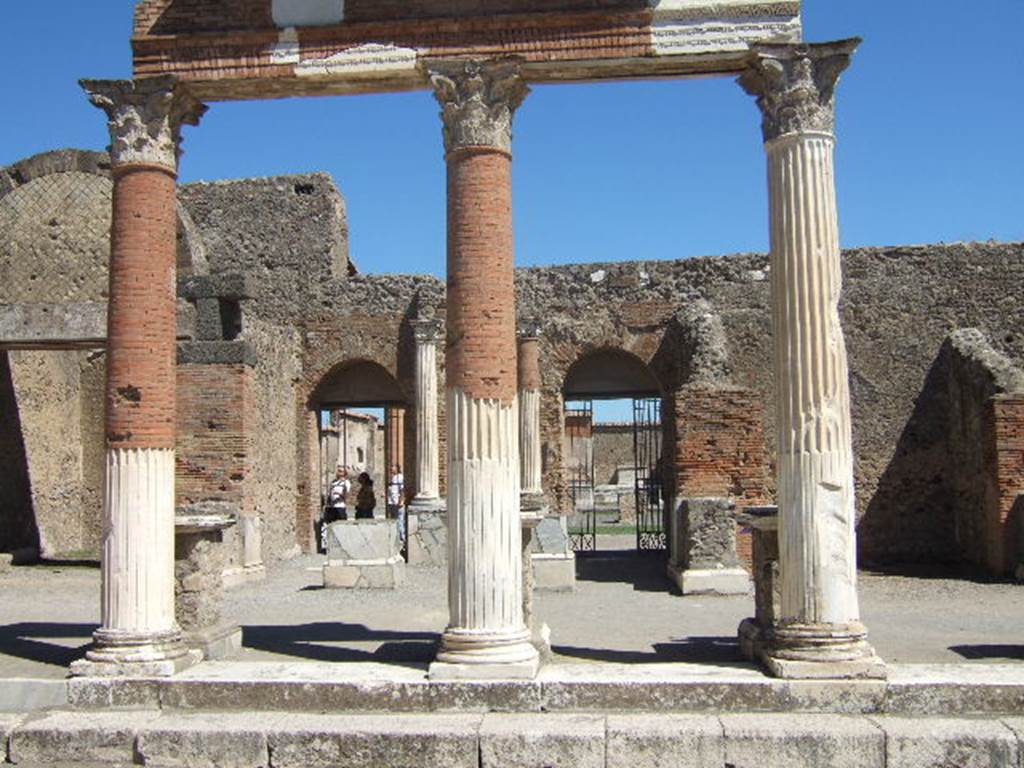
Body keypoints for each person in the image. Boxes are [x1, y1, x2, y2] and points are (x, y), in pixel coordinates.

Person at [387, 464, 405, 541]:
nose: (391, 468)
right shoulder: (393, 478)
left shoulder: (400, 477)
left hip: (398, 503)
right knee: (394, 521)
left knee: (400, 522)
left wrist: (401, 500)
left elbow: (402, 489)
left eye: (393, 467)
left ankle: (402, 538)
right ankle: (396, 539)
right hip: (392, 503)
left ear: (397, 468)